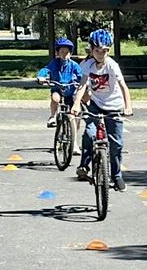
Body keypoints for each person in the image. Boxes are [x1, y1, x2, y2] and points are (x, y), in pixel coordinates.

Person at [72, 28, 132, 191]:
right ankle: (84, 166)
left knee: (116, 143)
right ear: (92, 50)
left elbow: (123, 86)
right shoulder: (89, 65)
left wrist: (128, 106)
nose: (101, 54)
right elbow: (82, 85)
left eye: (105, 51)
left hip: (114, 106)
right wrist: (77, 103)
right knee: (89, 133)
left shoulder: (112, 65)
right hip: (96, 104)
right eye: (98, 51)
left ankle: (117, 175)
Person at [36, 37, 83, 127]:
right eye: (62, 52)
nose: (64, 54)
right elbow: (46, 70)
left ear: (70, 53)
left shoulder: (74, 65)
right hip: (57, 88)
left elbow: (80, 75)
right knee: (55, 99)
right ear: (57, 53)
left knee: (77, 101)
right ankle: (53, 116)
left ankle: (75, 125)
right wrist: (41, 77)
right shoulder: (54, 63)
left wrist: (83, 82)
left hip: (71, 89)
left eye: (67, 52)